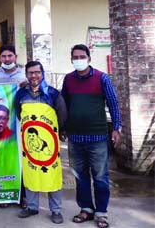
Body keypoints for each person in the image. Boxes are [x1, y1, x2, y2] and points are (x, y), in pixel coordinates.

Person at [61, 44, 121, 228]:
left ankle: (101, 212)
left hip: (97, 138)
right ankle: (86, 208)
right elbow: (63, 104)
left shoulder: (102, 78)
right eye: (75, 57)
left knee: (100, 177)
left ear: (89, 58)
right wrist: (62, 127)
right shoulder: (68, 79)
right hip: (75, 138)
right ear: (71, 60)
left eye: (82, 56)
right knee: (80, 176)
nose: (79, 60)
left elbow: (113, 104)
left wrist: (116, 128)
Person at [15, 61, 67, 224]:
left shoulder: (52, 94)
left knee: (52, 175)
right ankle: (32, 206)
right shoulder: (21, 94)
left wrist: (56, 132)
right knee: (30, 173)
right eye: (30, 73)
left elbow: (62, 115)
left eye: (37, 72)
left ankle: (56, 210)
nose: (33, 76)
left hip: (49, 144)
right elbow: (19, 113)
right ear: (26, 75)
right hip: (29, 145)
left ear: (42, 73)